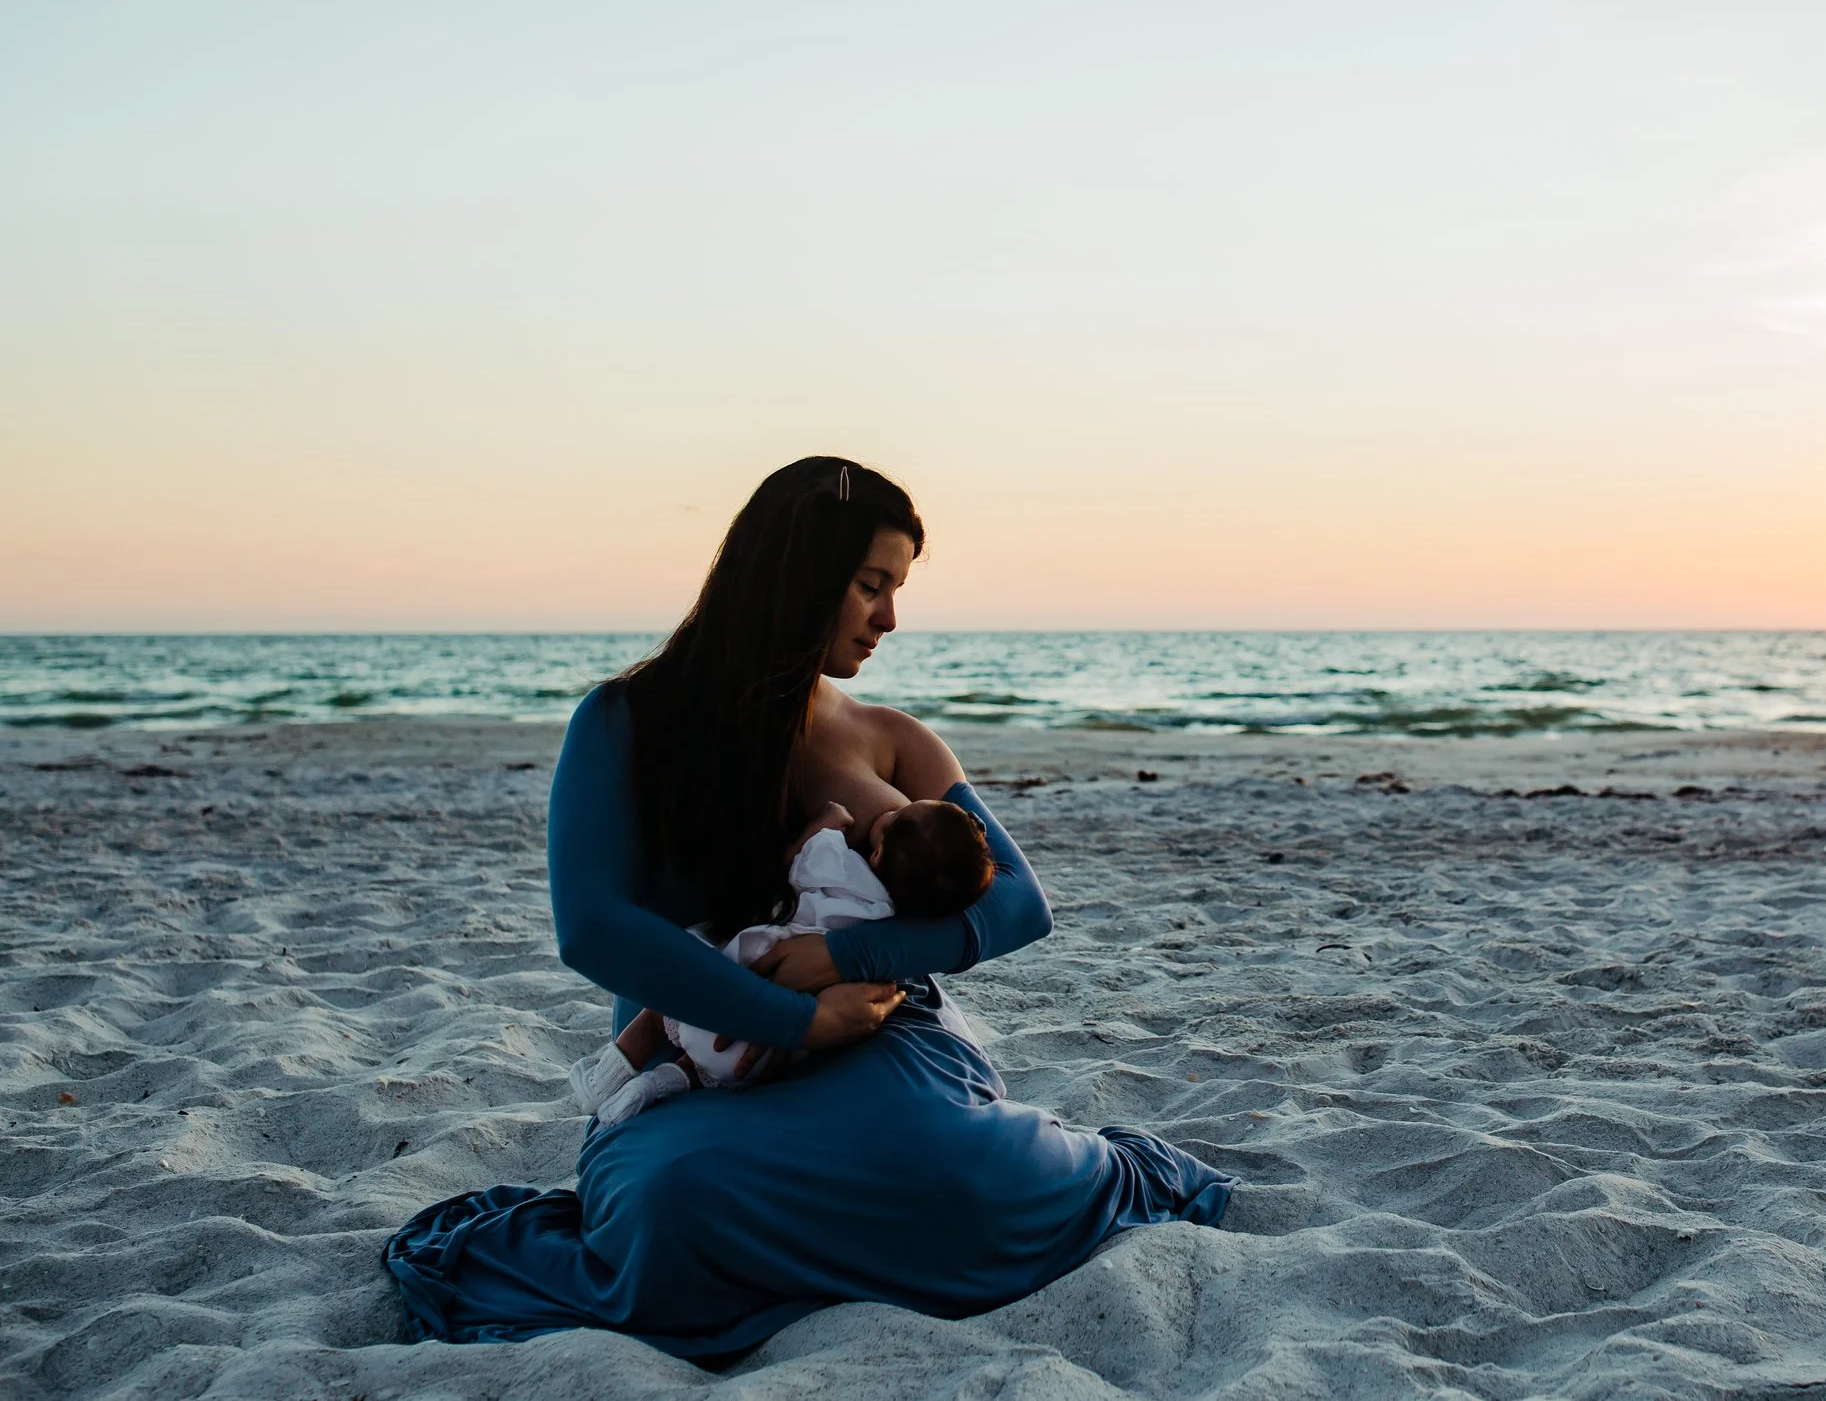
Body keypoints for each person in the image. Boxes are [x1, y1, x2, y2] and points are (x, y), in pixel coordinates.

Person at [386, 457, 1233, 1357]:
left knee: (964, 1173)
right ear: (799, 570)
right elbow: (593, 926)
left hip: (883, 1042)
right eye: (873, 585)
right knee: (668, 1213)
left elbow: (1023, 904)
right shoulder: (624, 722)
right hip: (698, 1058)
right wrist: (790, 1015)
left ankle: (1097, 1167)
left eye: (897, 589)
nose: (890, 618)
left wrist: (843, 966)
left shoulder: (893, 740)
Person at [569, 795, 995, 1126]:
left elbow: (800, 864)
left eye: (897, 816)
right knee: (717, 1062)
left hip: (733, 982)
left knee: (668, 996)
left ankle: (607, 1077)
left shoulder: (843, 867)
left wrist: (824, 824)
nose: (893, 810)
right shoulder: (891, 917)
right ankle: (658, 1083)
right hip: (761, 1053)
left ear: (879, 854)